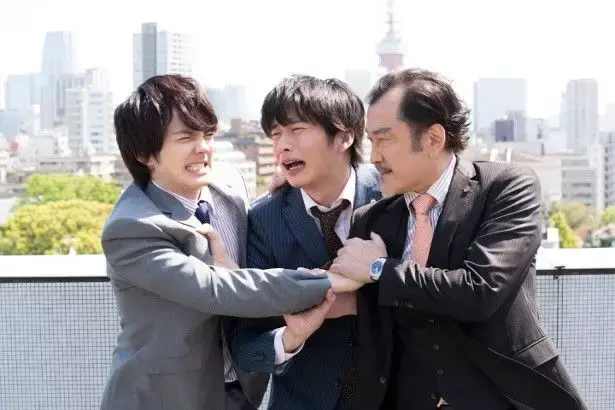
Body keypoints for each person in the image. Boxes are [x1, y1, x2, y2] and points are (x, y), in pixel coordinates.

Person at [327, 68, 587, 409]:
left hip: (505, 397)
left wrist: (380, 268)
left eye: (384, 139)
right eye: (371, 141)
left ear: (433, 139)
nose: (374, 156)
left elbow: (480, 291)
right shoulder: (372, 220)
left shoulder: (506, 188)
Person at [99, 74, 352, 410]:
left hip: (240, 394)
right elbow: (216, 289)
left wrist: (293, 184)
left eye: (207, 135)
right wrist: (334, 280)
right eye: (186, 138)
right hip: (161, 399)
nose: (203, 148)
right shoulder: (131, 227)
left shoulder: (228, 185)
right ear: (145, 154)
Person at [229, 75, 381, 410]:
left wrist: (359, 301)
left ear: (344, 137)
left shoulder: (392, 196)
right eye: (275, 134)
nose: (282, 146)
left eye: (296, 130)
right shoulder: (264, 219)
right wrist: (292, 336)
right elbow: (245, 345)